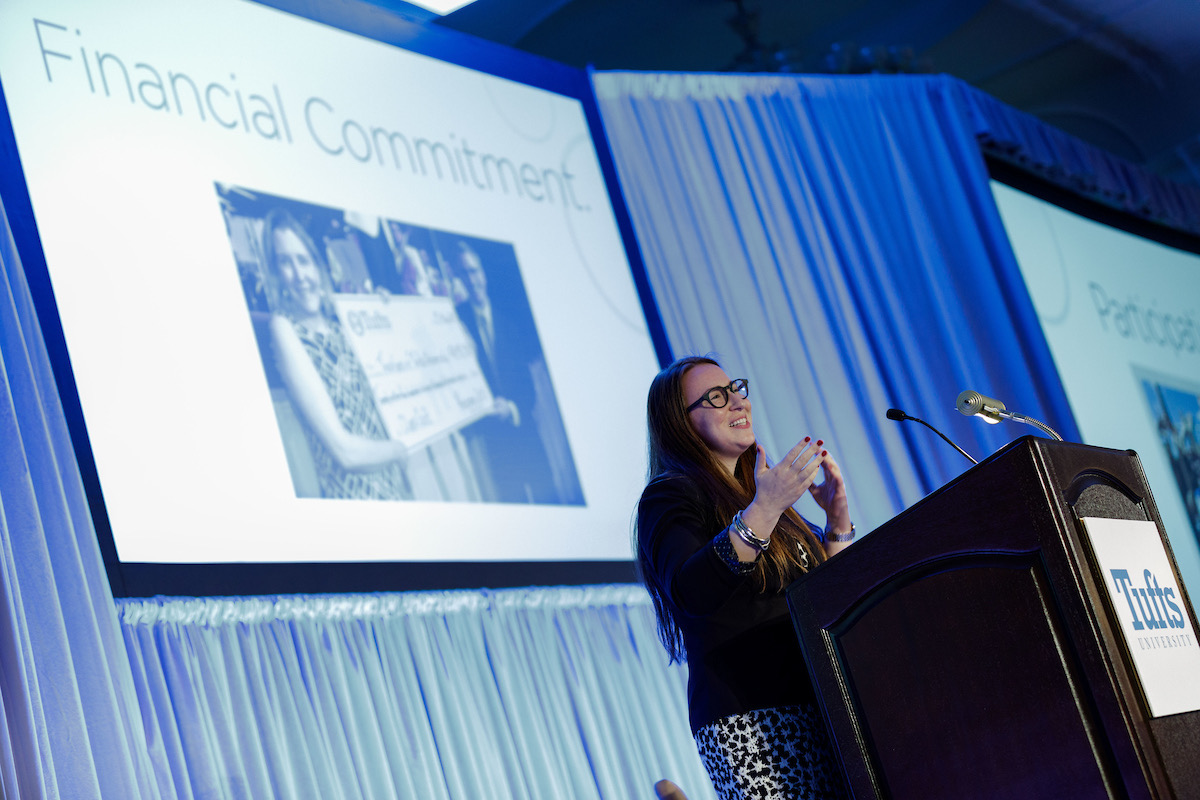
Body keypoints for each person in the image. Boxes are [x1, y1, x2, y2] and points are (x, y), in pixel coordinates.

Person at [636, 355, 856, 799]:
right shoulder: (671, 495)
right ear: (680, 424)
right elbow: (690, 591)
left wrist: (836, 524)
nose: (738, 402)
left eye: (736, 389)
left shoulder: (761, 496)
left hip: (824, 706)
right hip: (753, 720)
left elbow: (827, 599)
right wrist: (767, 508)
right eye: (716, 397)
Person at [262, 208, 412, 500]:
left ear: (318, 264)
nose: (300, 275)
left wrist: (384, 316)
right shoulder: (283, 328)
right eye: (285, 263)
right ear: (276, 272)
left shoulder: (339, 324)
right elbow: (344, 451)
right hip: (355, 500)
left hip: (394, 488)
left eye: (304, 260)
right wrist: (397, 449)